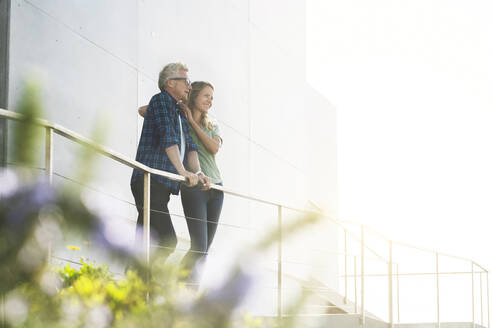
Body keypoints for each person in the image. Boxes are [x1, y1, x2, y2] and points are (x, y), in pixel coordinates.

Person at [138, 81, 224, 283]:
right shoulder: (179, 118)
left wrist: (192, 121)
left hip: (217, 187)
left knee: (204, 251)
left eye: (212, 97)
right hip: (194, 187)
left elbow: (214, 147)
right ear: (193, 96)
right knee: (198, 247)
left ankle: (187, 292)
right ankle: (178, 290)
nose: (210, 101)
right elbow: (144, 111)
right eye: (205, 96)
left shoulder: (212, 125)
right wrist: (176, 107)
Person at [130, 62, 210, 261]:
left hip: (161, 185)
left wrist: (198, 173)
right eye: (186, 81)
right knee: (168, 240)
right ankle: (146, 283)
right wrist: (183, 171)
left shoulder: (179, 111)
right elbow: (168, 137)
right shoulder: (160, 101)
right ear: (170, 83)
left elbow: (190, 147)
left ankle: (133, 286)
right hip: (149, 181)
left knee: (142, 243)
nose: (189, 87)